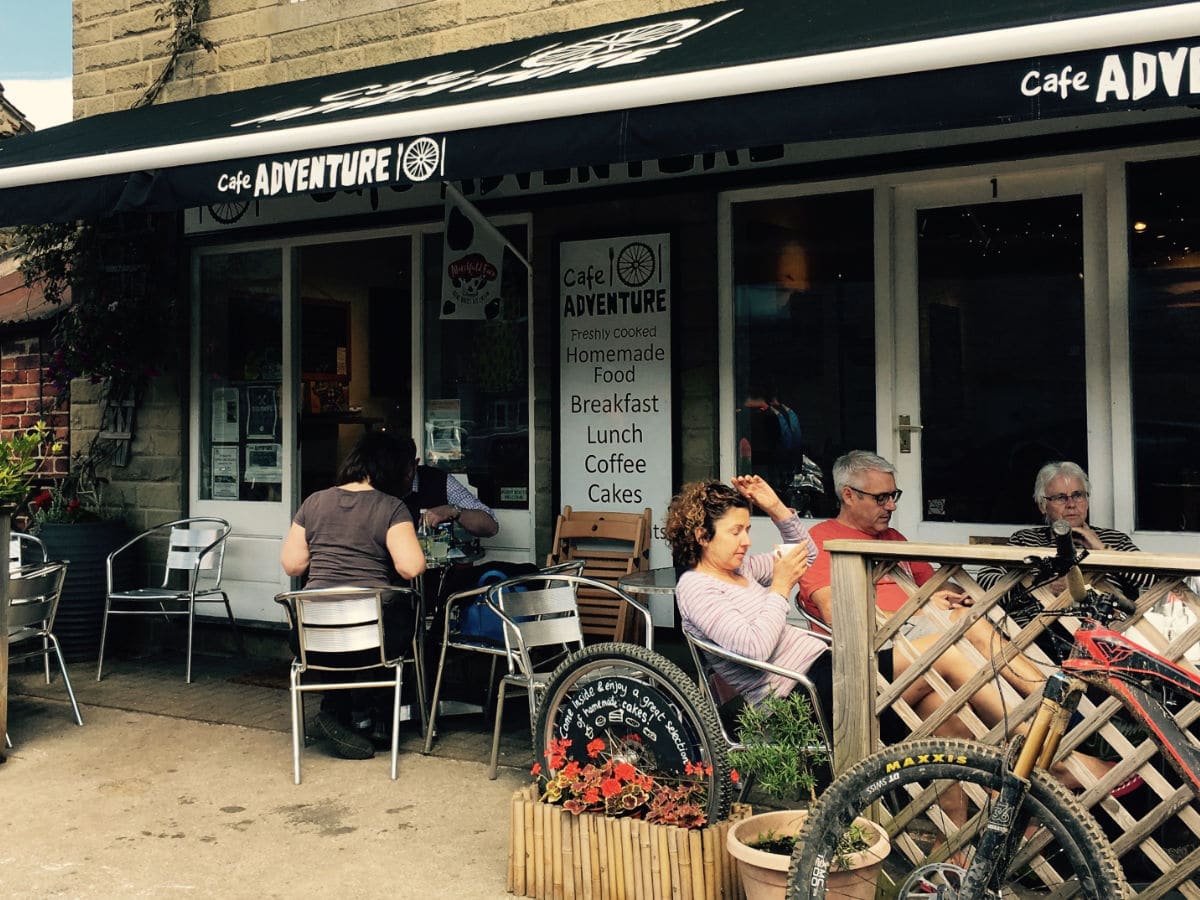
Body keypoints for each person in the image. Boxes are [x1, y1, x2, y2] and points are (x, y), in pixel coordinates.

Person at [797, 450, 1139, 797]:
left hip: (924, 645)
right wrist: (922, 609)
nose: (892, 506)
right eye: (881, 497)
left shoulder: (893, 539)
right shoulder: (823, 542)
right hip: (873, 658)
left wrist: (961, 593)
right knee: (970, 628)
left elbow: (937, 585)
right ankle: (1064, 724)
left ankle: (970, 839)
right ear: (848, 495)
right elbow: (842, 619)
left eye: (894, 495)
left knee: (952, 710)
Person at [280, 430, 426, 760]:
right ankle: (378, 723)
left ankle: (340, 716)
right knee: (402, 612)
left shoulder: (313, 502)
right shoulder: (392, 507)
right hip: (370, 639)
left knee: (347, 629)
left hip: (312, 638)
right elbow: (412, 567)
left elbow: (292, 564)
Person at [666, 476, 827, 708]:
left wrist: (774, 506)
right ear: (702, 536)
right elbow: (754, 650)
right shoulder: (696, 588)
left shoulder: (743, 568)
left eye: (748, 530)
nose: (747, 541)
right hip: (794, 691)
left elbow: (806, 554)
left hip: (817, 665)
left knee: (893, 674)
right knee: (893, 674)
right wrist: (780, 588)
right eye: (736, 532)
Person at [976, 460, 1155, 663]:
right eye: (1060, 497)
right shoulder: (1026, 541)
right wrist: (1040, 587)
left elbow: (1153, 581)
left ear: (1087, 500)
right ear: (1043, 506)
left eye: (1078, 495)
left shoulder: (1114, 540)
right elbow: (985, 580)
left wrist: (1101, 550)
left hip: (1101, 642)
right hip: (1033, 642)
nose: (1071, 504)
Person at [396, 435, 499, 538]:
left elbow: (491, 527)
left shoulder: (438, 480)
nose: (397, 479)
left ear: (415, 464)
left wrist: (453, 511)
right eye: (392, 474)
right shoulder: (381, 485)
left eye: (404, 473)